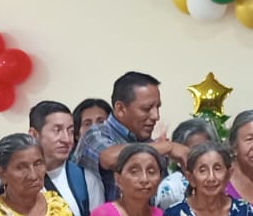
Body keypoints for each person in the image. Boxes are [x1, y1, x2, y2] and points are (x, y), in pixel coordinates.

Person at [72, 73, 189, 204]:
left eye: (157, 107)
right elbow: (109, 158)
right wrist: (168, 147)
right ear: (120, 109)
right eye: (147, 108)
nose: (156, 116)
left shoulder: (151, 145)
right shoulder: (95, 134)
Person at [30, 99, 102, 216]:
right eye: (57, 130)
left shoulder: (86, 179)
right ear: (34, 135)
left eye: (70, 131)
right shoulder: (18, 180)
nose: (66, 139)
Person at [154, 118, 215, 211]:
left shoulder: (218, 179)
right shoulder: (171, 187)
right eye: (195, 151)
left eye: (207, 149)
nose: (203, 156)